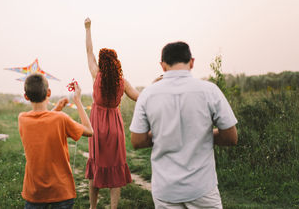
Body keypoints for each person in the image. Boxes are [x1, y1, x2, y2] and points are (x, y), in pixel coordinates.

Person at [130, 41, 238, 209]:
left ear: (163, 66)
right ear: (192, 62)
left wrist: (163, 135)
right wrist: (202, 134)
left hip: (166, 189)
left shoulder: (147, 95)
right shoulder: (210, 90)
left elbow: (137, 141)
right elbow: (231, 138)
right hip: (202, 186)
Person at [84, 18, 140, 209]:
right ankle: (113, 207)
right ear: (116, 63)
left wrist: (88, 29)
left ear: (102, 63)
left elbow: (89, 52)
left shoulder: (96, 75)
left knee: (95, 167)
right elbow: (139, 97)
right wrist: (157, 86)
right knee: (115, 167)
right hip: (115, 127)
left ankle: (93, 207)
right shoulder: (122, 82)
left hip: (97, 127)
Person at [18, 73, 93, 209]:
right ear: (48, 93)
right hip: (61, 190)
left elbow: (42, 120)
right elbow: (89, 131)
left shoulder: (22, 119)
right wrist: (78, 101)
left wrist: (56, 108)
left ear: (26, 97)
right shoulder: (60, 119)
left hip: (35, 193)